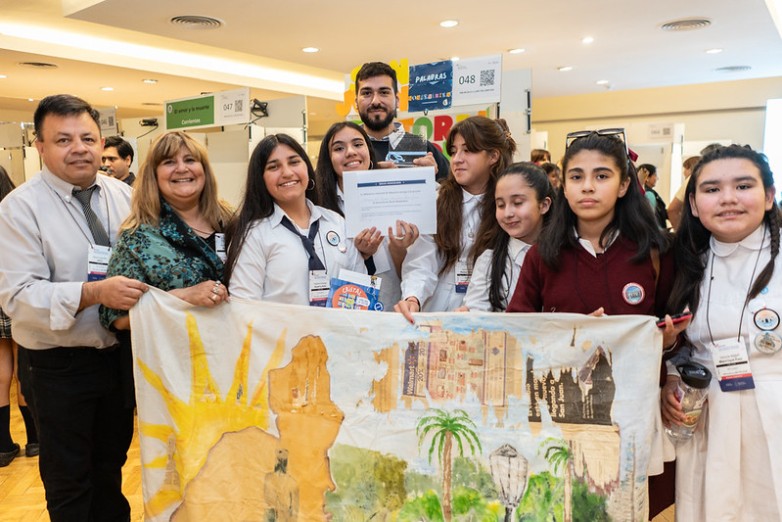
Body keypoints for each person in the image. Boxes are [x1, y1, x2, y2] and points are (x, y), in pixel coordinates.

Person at [505, 129, 687, 519]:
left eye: (602, 176)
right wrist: (571, 335)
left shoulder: (655, 252)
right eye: (577, 177)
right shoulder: (542, 256)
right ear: (563, 185)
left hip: (635, 417)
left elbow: (677, 328)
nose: (588, 187)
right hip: (559, 422)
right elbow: (516, 332)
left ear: (624, 185)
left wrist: (668, 341)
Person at [0, 94, 148, 521]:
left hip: (118, 359)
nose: (79, 148)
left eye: (87, 137)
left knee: (111, 470)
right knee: (68, 481)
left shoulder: (125, 197)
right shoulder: (19, 209)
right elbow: (19, 296)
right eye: (63, 139)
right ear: (40, 147)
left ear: (101, 141)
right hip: (57, 366)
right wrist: (92, 293)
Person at [662, 145, 782, 520]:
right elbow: (677, 342)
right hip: (709, 415)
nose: (728, 199)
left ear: (768, 196)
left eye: (743, 186)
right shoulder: (685, 264)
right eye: (712, 189)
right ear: (694, 205)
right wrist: (670, 381)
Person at [99, 131, 233, 335]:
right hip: (173, 358)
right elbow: (118, 317)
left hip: (238, 353)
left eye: (190, 160)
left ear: (204, 170)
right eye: (169, 162)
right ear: (154, 175)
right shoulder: (137, 238)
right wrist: (183, 298)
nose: (182, 168)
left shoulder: (232, 223)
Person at [395, 116, 516, 322]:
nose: (457, 159)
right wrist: (413, 297)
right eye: (453, 151)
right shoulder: (437, 200)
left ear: (493, 156)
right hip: (436, 315)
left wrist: (477, 309)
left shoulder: (507, 206)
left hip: (488, 317)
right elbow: (423, 260)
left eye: (468, 150)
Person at [226, 134, 366, 305]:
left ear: (307, 167)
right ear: (261, 179)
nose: (287, 172)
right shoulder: (254, 235)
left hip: (337, 330)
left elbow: (360, 288)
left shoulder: (337, 222)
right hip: (281, 332)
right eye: (273, 167)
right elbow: (243, 306)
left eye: (294, 162)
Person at [314, 121, 419, 308]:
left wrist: (399, 248)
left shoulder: (395, 194)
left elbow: (418, 269)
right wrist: (359, 255)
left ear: (369, 152)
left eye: (357, 144)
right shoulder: (318, 207)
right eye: (339, 148)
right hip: (343, 310)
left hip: (392, 307)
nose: (350, 152)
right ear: (328, 159)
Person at [460, 162, 553, 312]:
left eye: (517, 203)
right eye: (501, 205)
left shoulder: (567, 254)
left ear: (544, 205)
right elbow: (476, 310)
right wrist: (468, 315)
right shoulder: (490, 261)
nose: (508, 213)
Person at [0, 166, 38, 468]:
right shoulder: (15, 208)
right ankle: (35, 439)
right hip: (18, 294)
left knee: (1, 373)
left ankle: (2, 444)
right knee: (24, 366)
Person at [354, 62, 450, 182]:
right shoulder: (346, 152)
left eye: (384, 92)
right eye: (367, 93)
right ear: (356, 102)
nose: (375, 101)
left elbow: (455, 197)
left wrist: (434, 182)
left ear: (397, 100)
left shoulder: (423, 149)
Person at [667, 155, 700, 230]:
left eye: (685, 168)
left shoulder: (691, 179)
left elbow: (672, 210)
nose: (683, 172)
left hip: (693, 230)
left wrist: (679, 232)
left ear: (691, 167)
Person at [638, 163, 668, 228]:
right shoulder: (649, 194)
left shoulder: (644, 192)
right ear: (647, 177)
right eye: (655, 175)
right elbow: (650, 220)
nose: (657, 178)